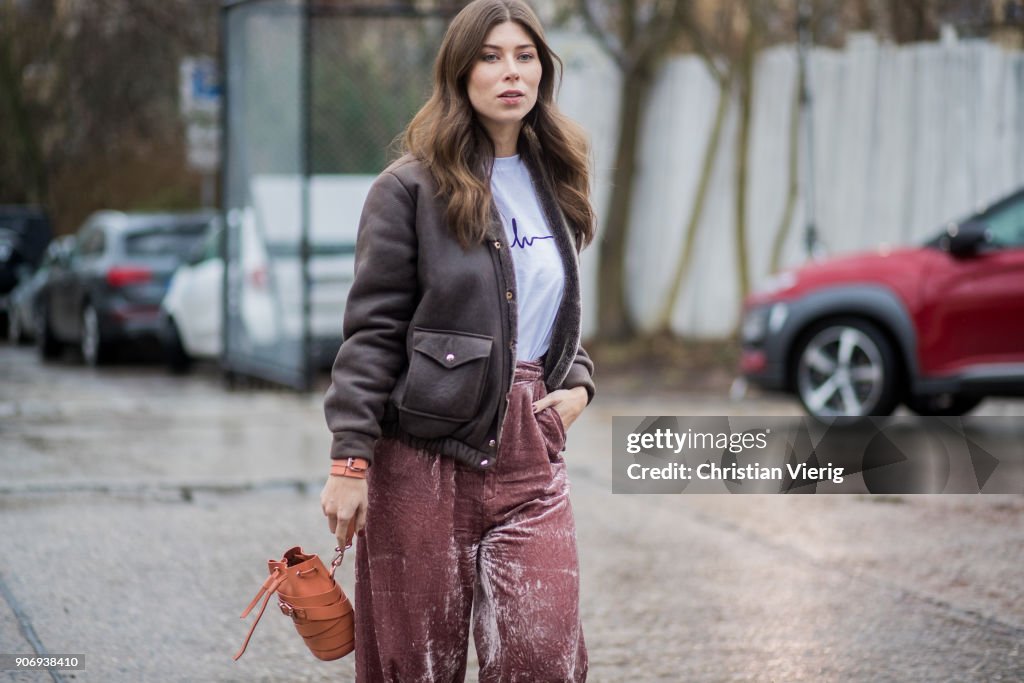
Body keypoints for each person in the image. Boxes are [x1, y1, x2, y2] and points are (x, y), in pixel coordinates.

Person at [320, 0, 596, 680]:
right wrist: (349, 460)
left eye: (525, 56)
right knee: (416, 665)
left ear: (543, 71)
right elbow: (374, 330)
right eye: (491, 56)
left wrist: (579, 385)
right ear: (459, 72)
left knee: (542, 651)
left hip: (531, 450)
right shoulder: (408, 189)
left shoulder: (554, 178)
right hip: (421, 456)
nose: (511, 72)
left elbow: (545, 309)